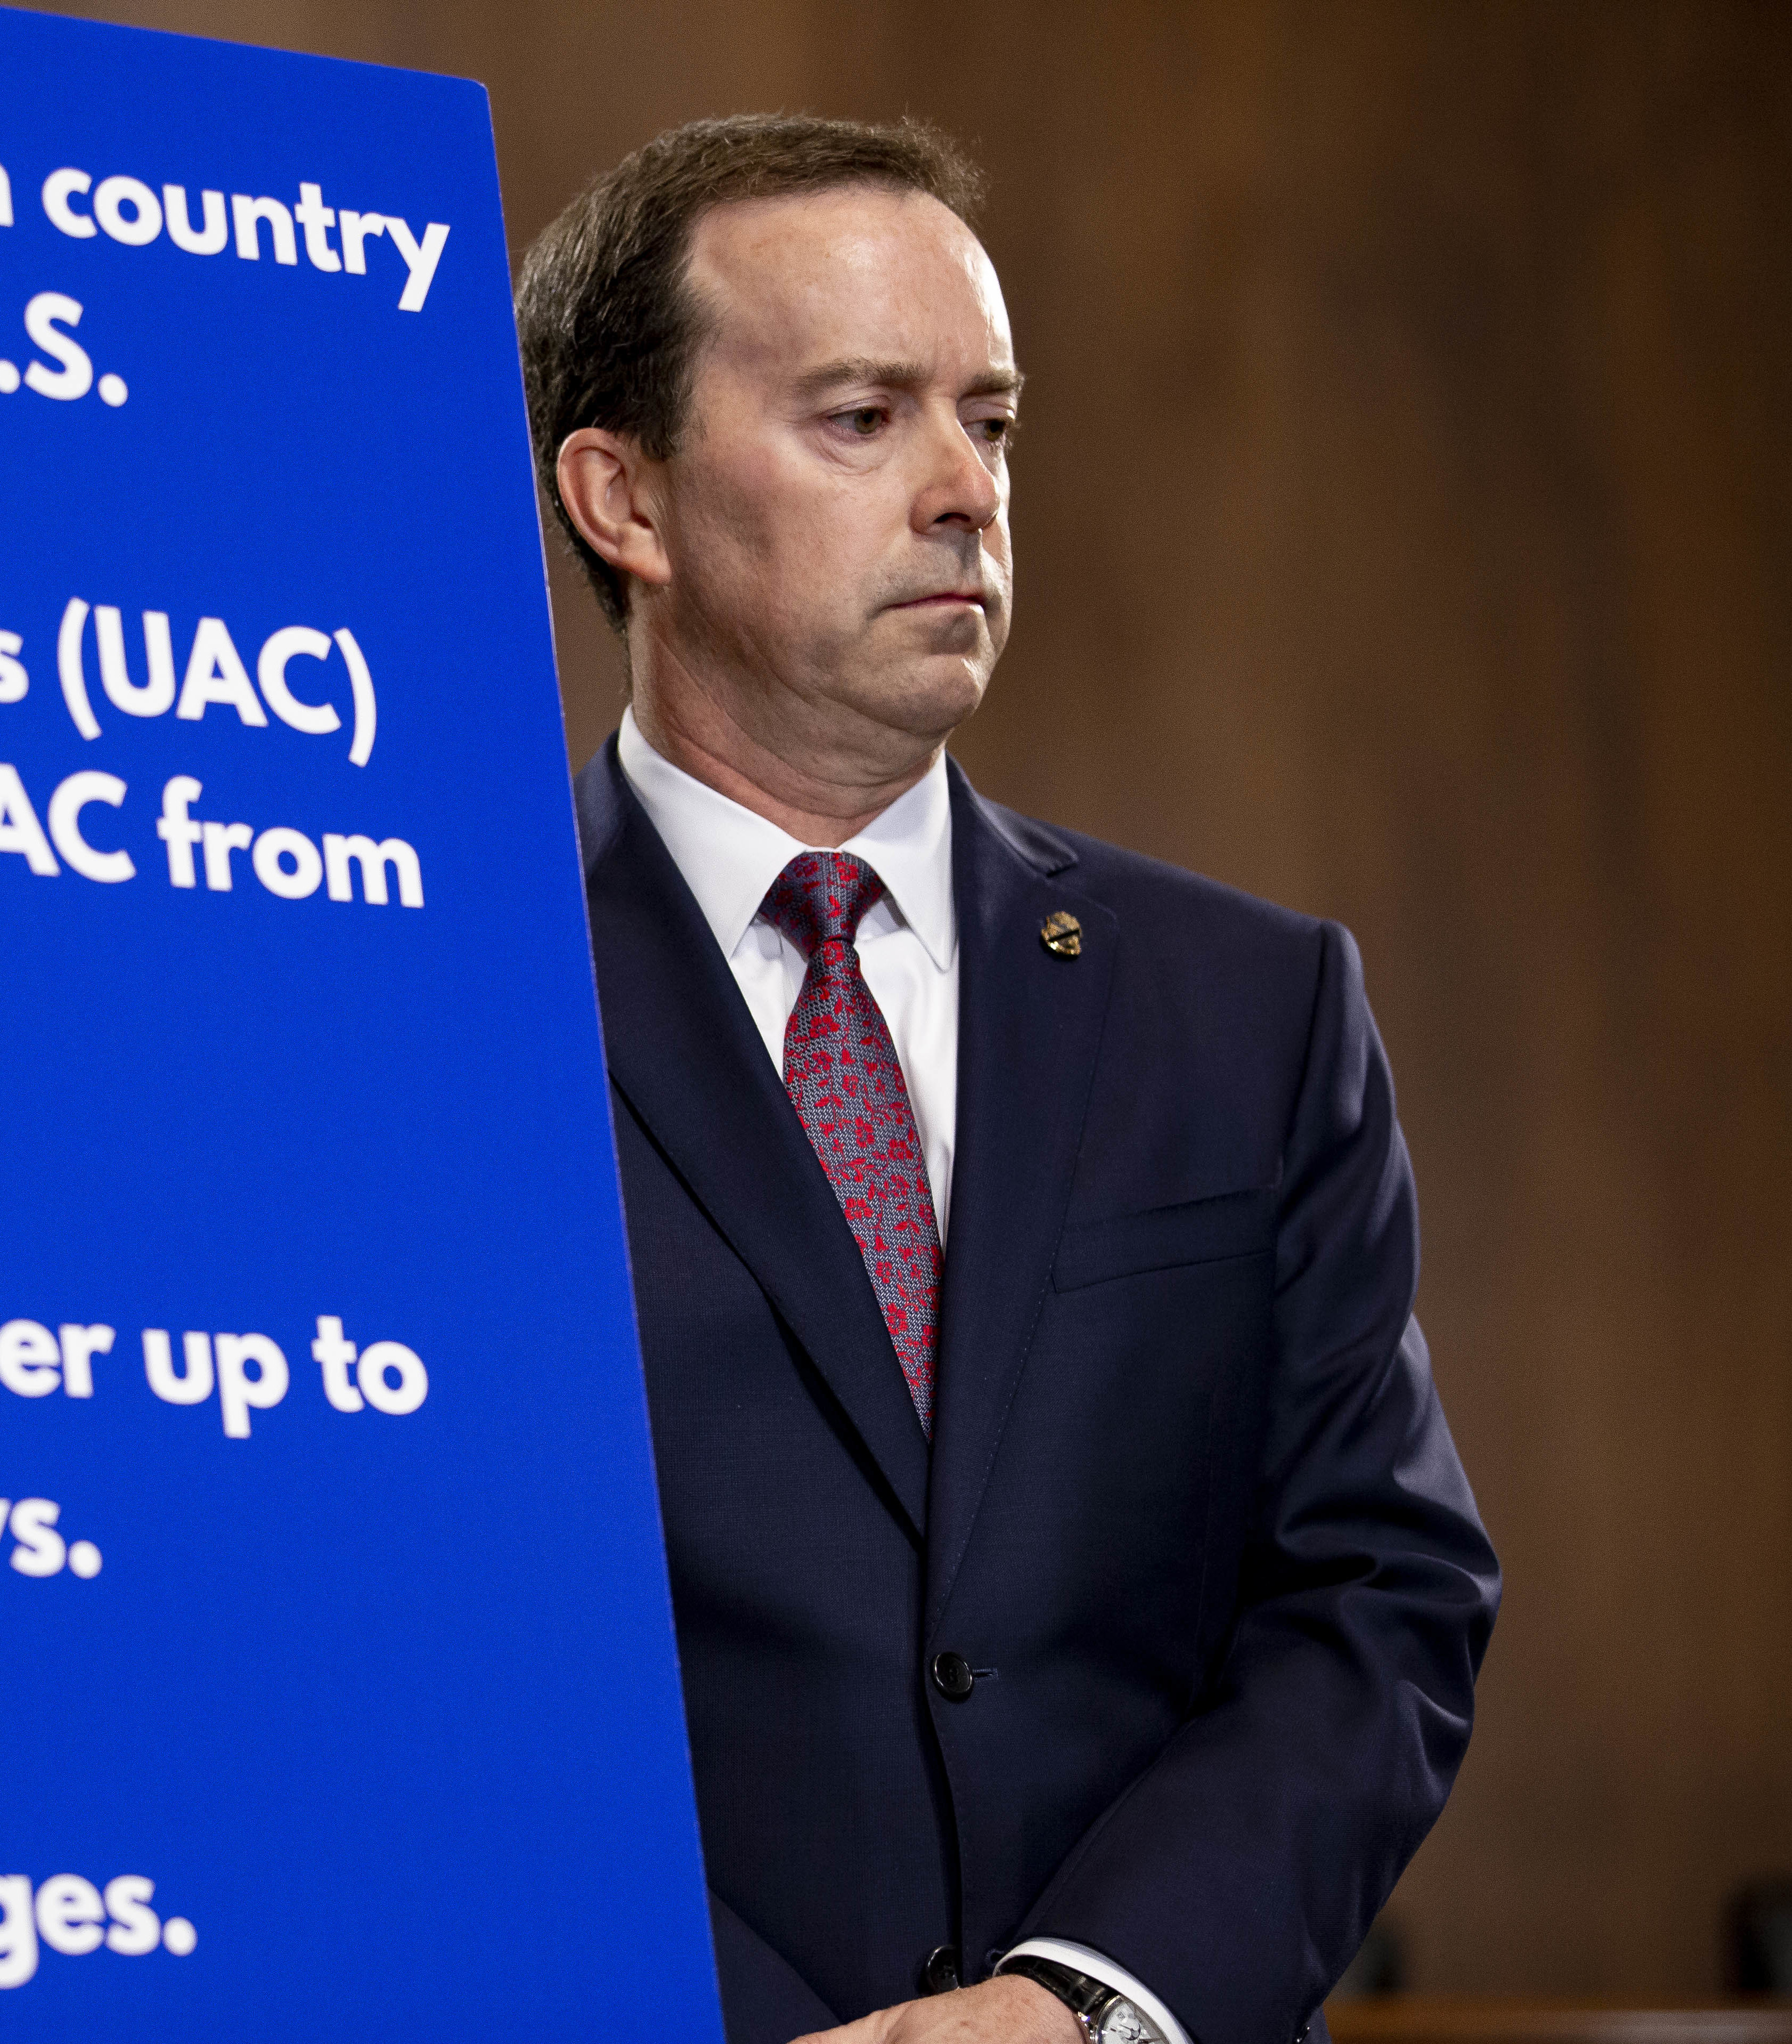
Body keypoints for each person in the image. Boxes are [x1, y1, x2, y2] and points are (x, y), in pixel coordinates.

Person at [517, 116, 1499, 2044]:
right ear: (620, 495)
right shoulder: (444, 1017)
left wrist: (1077, 2002)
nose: (968, 489)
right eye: (864, 416)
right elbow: (402, 1637)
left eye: (991, 418)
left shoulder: (1252, 1006)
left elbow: (1374, 1596)